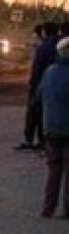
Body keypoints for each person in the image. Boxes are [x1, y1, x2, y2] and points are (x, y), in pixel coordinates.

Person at [38, 37, 69, 216]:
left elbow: (39, 95)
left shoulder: (49, 72)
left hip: (51, 128)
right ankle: (67, 209)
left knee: (54, 169)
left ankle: (48, 207)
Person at [20, 22, 59, 150]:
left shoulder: (44, 47)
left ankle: (33, 139)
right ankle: (45, 140)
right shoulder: (59, 45)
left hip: (41, 83)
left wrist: (33, 84)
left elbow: (37, 68)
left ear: (45, 32)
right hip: (54, 83)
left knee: (35, 111)